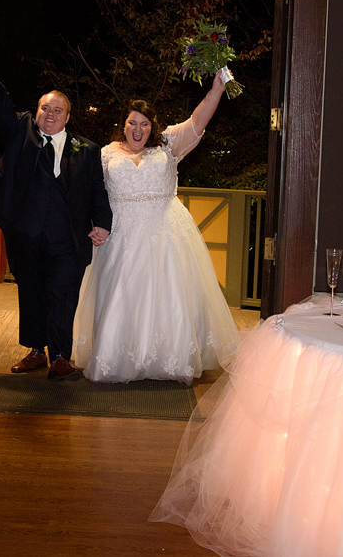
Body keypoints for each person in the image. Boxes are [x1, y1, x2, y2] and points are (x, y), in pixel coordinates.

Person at [73, 70, 240, 385]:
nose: (138, 129)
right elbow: (93, 196)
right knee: (122, 296)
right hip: (121, 238)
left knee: (168, 297)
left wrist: (216, 90)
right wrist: (94, 225)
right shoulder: (105, 154)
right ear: (123, 124)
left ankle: (170, 358)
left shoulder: (168, 146)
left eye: (145, 124)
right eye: (132, 123)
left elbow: (197, 122)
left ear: (153, 127)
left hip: (166, 235)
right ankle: (117, 357)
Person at [0, 35, 113, 381]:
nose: (50, 115)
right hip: (26, 234)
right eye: (44, 109)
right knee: (31, 292)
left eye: (57, 110)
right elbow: (1, 106)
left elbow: (98, 189)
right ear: (36, 113)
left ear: (68, 116)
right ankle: (36, 351)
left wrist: (103, 223)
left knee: (62, 293)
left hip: (68, 238)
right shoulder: (22, 134)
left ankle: (61, 356)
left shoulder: (88, 149)